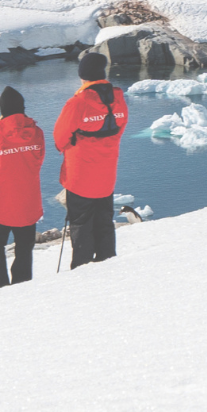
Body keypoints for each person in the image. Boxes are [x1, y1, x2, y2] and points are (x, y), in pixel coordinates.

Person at [54, 53, 127, 268]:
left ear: (83, 76)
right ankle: (107, 264)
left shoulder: (77, 103)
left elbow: (60, 138)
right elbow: (119, 129)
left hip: (80, 176)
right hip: (107, 174)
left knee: (81, 223)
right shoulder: (118, 99)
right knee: (104, 221)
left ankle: (82, 269)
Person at [0, 86, 46, 289]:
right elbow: (38, 159)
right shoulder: (36, 132)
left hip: (2, 204)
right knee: (24, 248)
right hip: (28, 202)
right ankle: (22, 286)